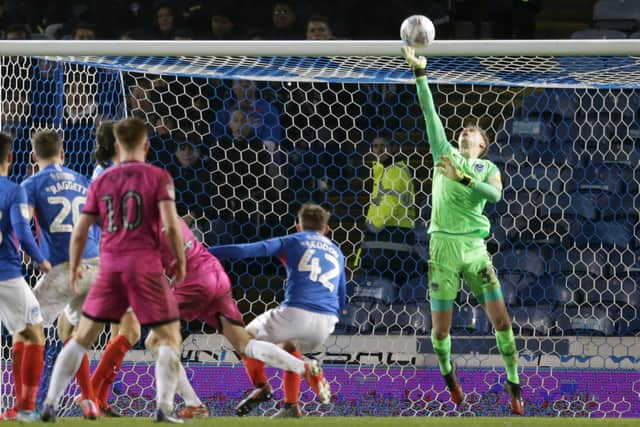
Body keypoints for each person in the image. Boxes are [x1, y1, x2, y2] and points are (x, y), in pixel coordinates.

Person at [402, 46, 524, 415]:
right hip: (441, 248)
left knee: (501, 320)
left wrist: (465, 176)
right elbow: (429, 112)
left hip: (474, 248)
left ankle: (514, 383)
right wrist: (420, 74)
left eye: (474, 131)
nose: (466, 129)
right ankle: (449, 375)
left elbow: (495, 196)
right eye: (464, 128)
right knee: (440, 332)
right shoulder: (444, 153)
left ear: (483, 145)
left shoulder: (487, 168)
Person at [40, 117, 185, 423]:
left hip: (105, 264)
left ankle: (56, 403)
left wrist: (76, 263)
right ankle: (160, 407)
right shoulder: (156, 176)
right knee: (165, 336)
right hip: (139, 266)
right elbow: (170, 227)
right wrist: (179, 262)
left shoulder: (98, 179)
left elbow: (81, 230)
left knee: (83, 337)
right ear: (144, 144)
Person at [144, 217, 331, 418]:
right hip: (215, 272)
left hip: (192, 282)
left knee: (154, 340)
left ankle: (193, 405)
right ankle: (304, 369)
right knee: (244, 343)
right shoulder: (169, 212)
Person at [209, 203, 344, 418]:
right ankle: (291, 406)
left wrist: (204, 253)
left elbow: (245, 250)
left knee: (245, 338)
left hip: (297, 312)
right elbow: (342, 295)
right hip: (326, 323)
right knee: (287, 348)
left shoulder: (292, 240)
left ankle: (263, 386)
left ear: (298, 226)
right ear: (326, 229)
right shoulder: (337, 252)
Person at [21, 130, 102, 418]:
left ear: (33, 156)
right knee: (70, 332)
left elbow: (23, 224)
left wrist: (34, 257)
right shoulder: (83, 181)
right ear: (63, 153)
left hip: (65, 268)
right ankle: (89, 400)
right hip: (97, 266)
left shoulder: (31, 183)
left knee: (27, 326)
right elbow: (100, 226)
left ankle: (25, 407)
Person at [87, 121, 142, 417]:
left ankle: (101, 398)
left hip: (108, 259)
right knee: (131, 332)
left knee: (118, 331)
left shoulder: (103, 172)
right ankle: (93, 394)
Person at [0, 132, 51, 422]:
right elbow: (22, 231)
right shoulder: (12, 190)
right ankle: (26, 407)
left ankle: (19, 406)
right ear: (10, 157)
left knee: (21, 329)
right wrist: (41, 259)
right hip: (6, 274)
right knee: (35, 330)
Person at [355, 135, 417, 284]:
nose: (379, 150)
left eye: (384, 146)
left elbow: (391, 203)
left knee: (381, 286)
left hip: (390, 236)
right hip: (387, 236)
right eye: (375, 146)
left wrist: (373, 225)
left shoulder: (396, 171)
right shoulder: (383, 170)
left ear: (394, 148)